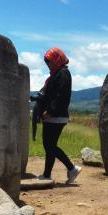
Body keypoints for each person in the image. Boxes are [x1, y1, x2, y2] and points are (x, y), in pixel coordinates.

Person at [33, 47, 81, 184]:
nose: (48, 64)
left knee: (50, 145)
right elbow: (50, 95)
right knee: (49, 145)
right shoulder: (56, 74)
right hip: (53, 116)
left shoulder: (63, 73)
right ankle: (47, 175)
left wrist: (50, 111)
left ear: (57, 59)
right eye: (47, 62)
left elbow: (62, 96)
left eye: (50, 61)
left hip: (56, 116)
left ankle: (72, 168)